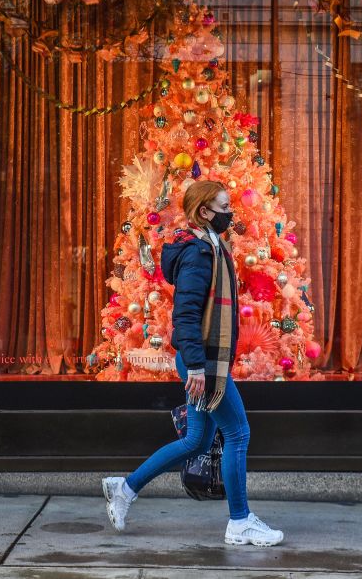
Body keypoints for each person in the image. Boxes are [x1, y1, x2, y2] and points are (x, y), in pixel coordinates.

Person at [101, 180, 284, 547]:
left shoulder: (210, 246)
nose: (230, 212)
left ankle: (126, 488)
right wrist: (199, 368)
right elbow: (185, 315)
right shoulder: (198, 254)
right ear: (204, 212)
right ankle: (240, 521)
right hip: (202, 364)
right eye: (223, 206)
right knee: (237, 433)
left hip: (201, 361)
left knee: (197, 441)